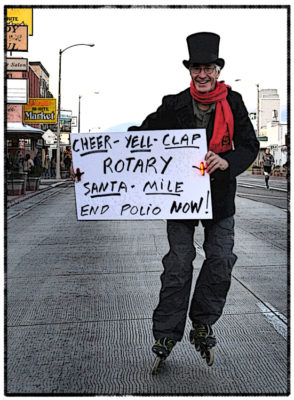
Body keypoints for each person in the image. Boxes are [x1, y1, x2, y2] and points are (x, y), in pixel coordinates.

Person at [128, 32, 260, 366]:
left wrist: (228, 160)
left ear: (218, 69)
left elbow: (250, 145)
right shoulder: (173, 104)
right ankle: (166, 333)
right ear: (190, 70)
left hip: (220, 197)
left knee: (220, 259)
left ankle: (202, 323)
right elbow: (142, 135)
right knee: (178, 262)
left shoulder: (234, 102)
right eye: (196, 68)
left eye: (208, 68)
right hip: (181, 198)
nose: (202, 74)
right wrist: (94, 164)